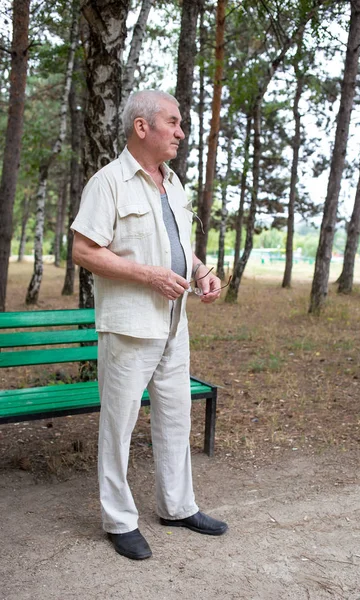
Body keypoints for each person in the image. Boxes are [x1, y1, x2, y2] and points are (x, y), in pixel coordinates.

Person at [71, 89, 228, 560]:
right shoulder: (109, 182)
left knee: (176, 418)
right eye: (174, 122)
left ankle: (177, 506)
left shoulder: (172, 185)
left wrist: (201, 270)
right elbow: (83, 251)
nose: (182, 132)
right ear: (143, 127)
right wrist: (149, 275)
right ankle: (119, 520)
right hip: (129, 326)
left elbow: (176, 244)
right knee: (118, 426)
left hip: (174, 324)